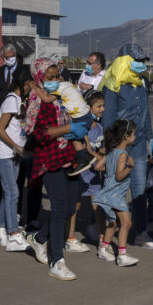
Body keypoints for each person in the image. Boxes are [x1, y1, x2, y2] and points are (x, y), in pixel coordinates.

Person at [24, 58, 88, 281]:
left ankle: (40, 238)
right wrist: (67, 128)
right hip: (49, 160)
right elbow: (38, 134)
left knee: (70, 207)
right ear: (39, 78)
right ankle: (56, 260)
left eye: (57, 76)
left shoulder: (62, 96)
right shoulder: (36, 101)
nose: (55, 81)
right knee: (59, 208)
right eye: (50, 78)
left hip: (69, 156)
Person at [100, 43, 153, 250]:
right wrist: (109, 147)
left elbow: (145, 115)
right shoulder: (113, 84)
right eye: (138, 60)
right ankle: (102, 231)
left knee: (139, 190)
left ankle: (141, 233)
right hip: (119, 146)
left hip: (140, 144)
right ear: (125, 61)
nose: (142, 64)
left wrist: (150, 140)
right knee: (113, 190)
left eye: (143, 60)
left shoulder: (141, 83)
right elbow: (108, 117)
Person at [0, 67, 34, 251]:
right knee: (13, 192)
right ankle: (13, 234)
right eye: (33, 83)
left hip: (15, 154)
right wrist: (16, 147)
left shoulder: (21, 101)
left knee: (9, 192)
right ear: (26, 82)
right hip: (5, 153)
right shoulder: (12, 100)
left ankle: (0, 229)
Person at [93, 120, 139, 267]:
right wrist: (130, 167)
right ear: (126, 137)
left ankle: (104, 248)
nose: (135, 136)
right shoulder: (123, 154)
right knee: (127, 223)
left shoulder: (111, 152)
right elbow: (119, 176)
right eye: (133, 134)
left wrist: (110, 170)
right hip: (116, 195)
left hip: (109, 192)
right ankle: (122, 255)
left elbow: (97, 166)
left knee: (113, 223)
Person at [29, 76, 96, 176]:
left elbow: (46, 99)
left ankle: (82, 160)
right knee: (79, 138)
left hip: (79, 117)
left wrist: (35, 87)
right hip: (86, 115)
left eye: (54, 78)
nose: (53, 81)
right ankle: (87, 156)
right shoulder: (68, 85)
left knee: (74, 139)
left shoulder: (59, 88)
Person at [65, 90, 106, 253]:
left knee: (98, 206)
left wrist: (105, 155)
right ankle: (70, 238)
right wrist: (103, 160)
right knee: (75, 205)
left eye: (103, 106)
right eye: (99, 106)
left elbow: (100, 149)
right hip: (82, 171)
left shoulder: (100, 127)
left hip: (94, 175)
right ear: (88, 108)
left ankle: (102, 239)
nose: (102, 109)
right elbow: (88, 150)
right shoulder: (85, 127)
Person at [0, 44, 23, 109]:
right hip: (1, 106)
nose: (10, 59)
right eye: (7, 57)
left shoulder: (23, 70)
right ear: (2, 57)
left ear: (16, 55)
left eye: (12, 56)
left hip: (18, 107)